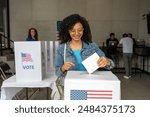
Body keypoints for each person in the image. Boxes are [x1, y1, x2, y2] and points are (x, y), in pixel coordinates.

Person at [55, 14, 115, 79]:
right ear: (68, 31)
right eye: (73, 30)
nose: (77, 33)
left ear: (83, 30)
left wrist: (107, 62)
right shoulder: (62, 48)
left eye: (80, 30)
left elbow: (111, 65)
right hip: (71, 86)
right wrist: (63, 68)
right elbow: (57, 72)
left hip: (90, 85)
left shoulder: (92, 46)